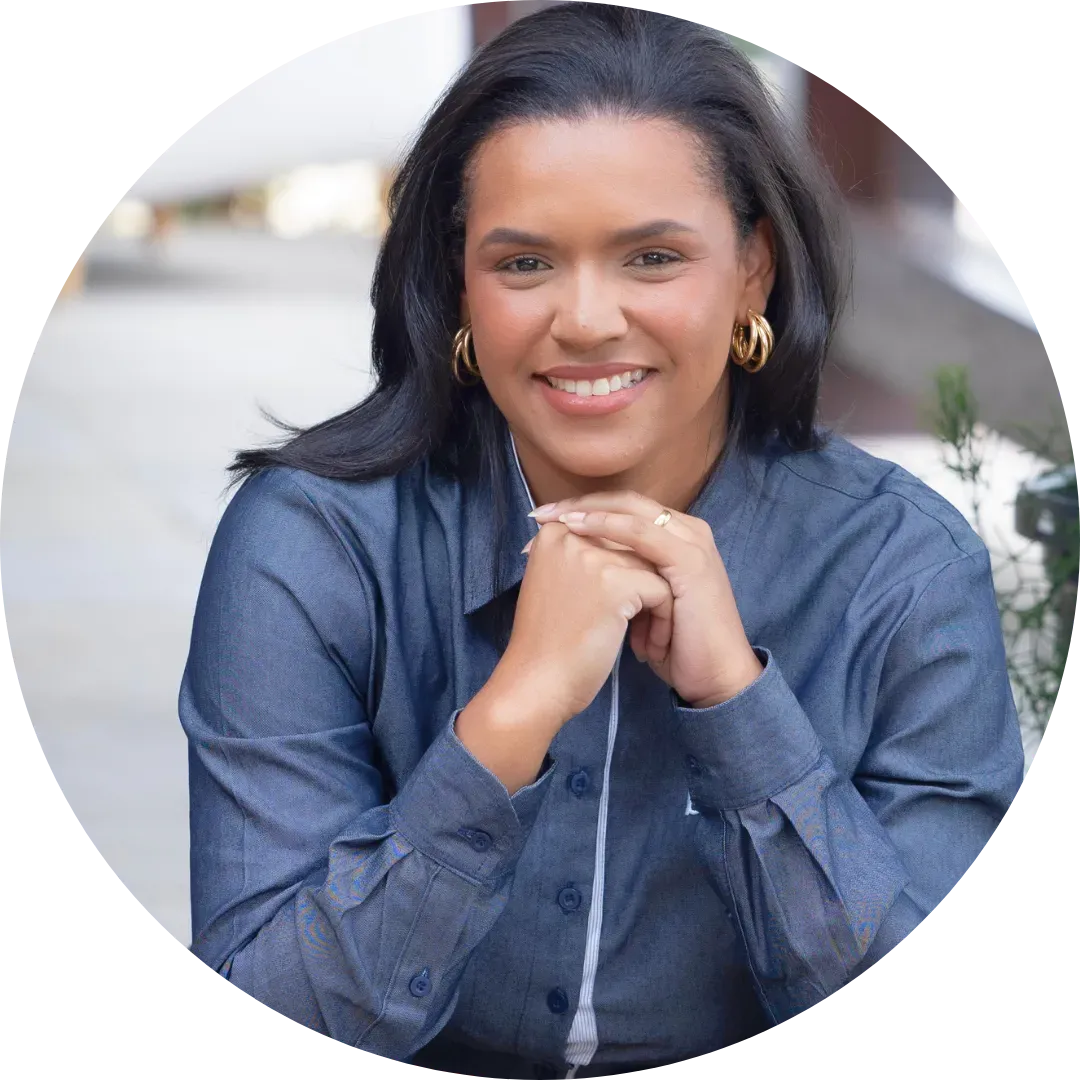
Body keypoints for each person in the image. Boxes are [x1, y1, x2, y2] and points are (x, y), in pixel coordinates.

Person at [179, 4, 1024, 1078]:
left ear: (753, 270)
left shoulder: (901, 571)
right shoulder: (312, 546)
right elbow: (254, 1024)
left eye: (652, 257)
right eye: (525, 263)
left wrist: (739, 708)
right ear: (459, 281)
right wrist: (509, 720)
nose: (584, 320)